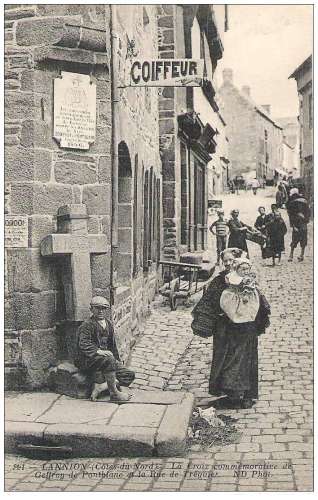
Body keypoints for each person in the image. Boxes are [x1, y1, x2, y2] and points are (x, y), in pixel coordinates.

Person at [204, 251, 271, 409]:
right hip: (228, 329)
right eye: (225, 261)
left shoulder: (251, 283)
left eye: (231, 260)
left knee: (247, 359)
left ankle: (247, 394)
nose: (228, 263)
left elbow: (260, 304)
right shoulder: (222, 281)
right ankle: (231, 394)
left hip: (247, 329)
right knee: (229, 360)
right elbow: (214, 303)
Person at [75, 296, 135, 402]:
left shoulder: (109, 324)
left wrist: (118, 362)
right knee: (109, 359)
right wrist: (99, 351)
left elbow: (112, 346)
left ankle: (101, 387)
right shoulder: (87, 325)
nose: (100, 311)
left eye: (103, 308)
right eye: (97, 308)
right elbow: (83, 344)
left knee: (128, 375)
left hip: (105, 359)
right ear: (91, 309)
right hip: (89, 359)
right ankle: (114, 393)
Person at [287, 188, 310, 262]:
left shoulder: (292, 202)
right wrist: (305, 219)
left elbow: (290, 215)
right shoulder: (305, 201)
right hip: (303, 223)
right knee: (303, 238)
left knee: (294, 239)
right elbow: (309, 213)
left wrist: (293, 225)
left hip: (296, 223)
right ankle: (301, 255)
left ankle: (291, 255)